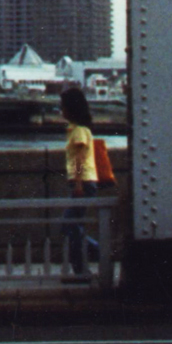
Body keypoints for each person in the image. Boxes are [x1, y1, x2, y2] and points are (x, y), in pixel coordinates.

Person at [59, 86, 99, 281]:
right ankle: (83, 269)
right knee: (74, 225)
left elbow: (80, 159)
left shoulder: (79, 131)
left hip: (83, 182)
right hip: (84, 182)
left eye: (63, 106)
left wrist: (78, 185)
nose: (61, 110)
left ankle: (87, 265)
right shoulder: (79, 130)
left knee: (69, 225)